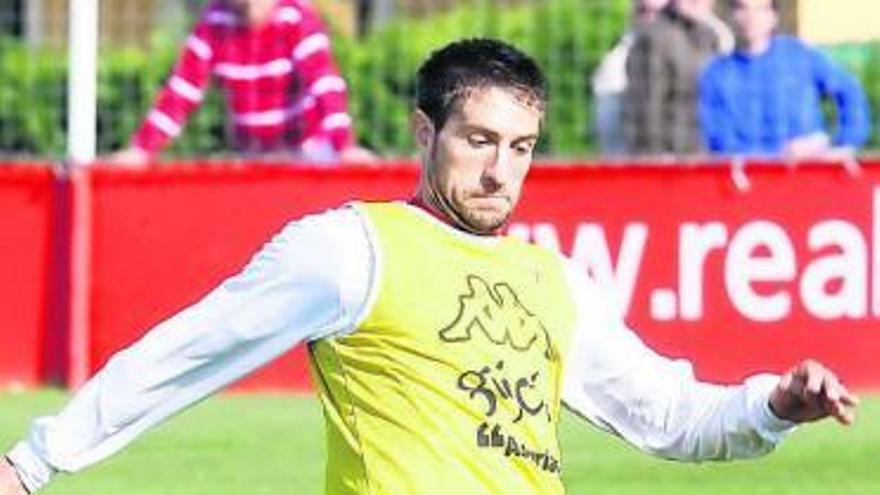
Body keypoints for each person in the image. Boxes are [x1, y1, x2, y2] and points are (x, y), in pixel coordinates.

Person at [1, 39, 859, 495]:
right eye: (479, 140)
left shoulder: (551, 282)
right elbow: (189, 350)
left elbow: (670, 414)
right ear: (424, 133)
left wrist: (773, 402)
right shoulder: (350, 248)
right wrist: (35, 461)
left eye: (520, 147)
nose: (499, 170)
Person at [109, 0, 376, 166]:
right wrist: (142, 150)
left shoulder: (296, 18)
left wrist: (345, 147)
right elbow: (182, 90)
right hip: (253, 155)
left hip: (305, 152)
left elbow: (325, 84)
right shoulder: (215, 23)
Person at [699, 0, 871, 159]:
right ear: (730, 15)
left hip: (807, 174)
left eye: (760, 9)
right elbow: (719, 140)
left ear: (773, 16)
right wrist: (779, 154)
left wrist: (844, 144)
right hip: (750, 180)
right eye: (742, 8)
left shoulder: (800, 56)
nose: (751, 18)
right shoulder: (717, 75)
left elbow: (850, 91)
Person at [623, 0, 733, 155]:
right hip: (671, 159)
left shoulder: (712, 37)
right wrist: (656, 159)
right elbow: (645, 115)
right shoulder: (653, 39)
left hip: (708, 156)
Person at [592, 0, 670, 156]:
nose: (651, 18)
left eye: (659, 13)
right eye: (643, 11)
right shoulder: (616, 61)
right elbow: (610, 135)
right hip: (635, 160)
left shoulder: (710, 40)